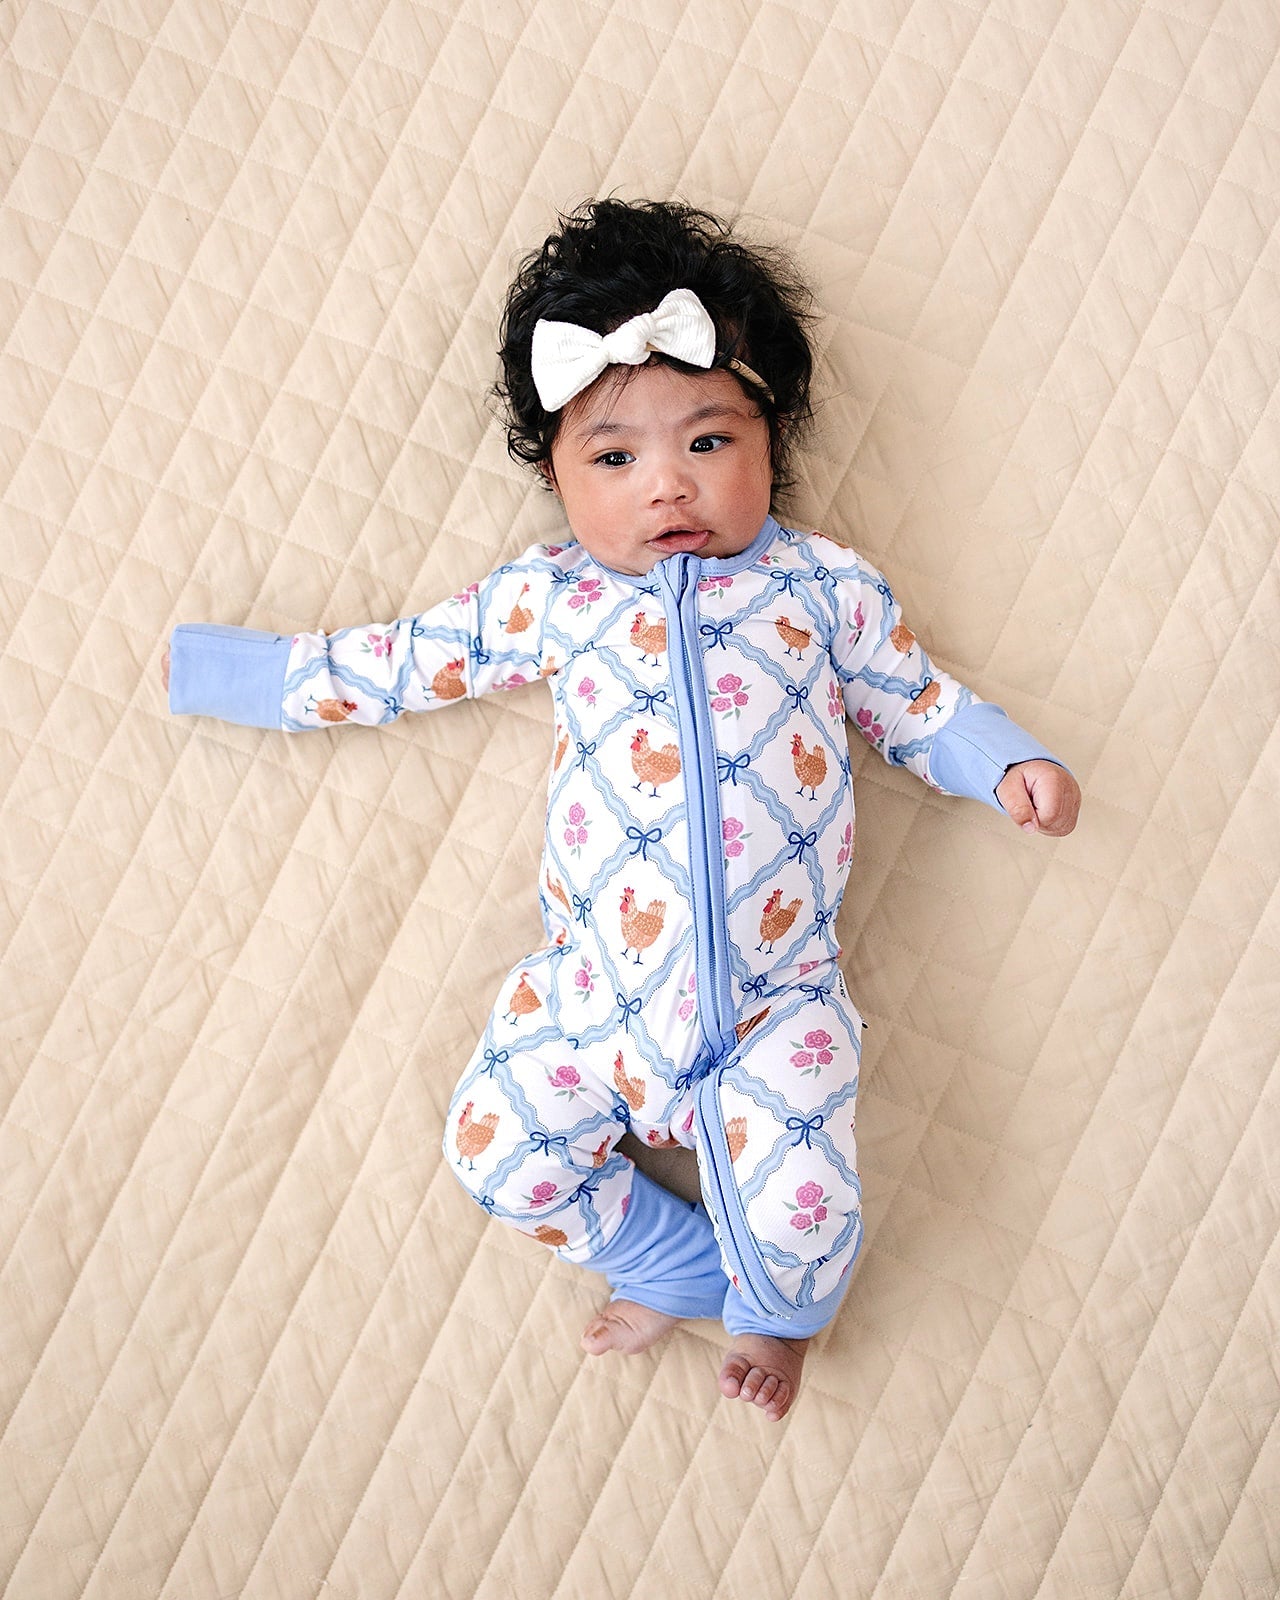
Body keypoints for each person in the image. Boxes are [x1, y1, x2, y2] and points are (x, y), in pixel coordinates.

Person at [164, 199, 1081, 1422]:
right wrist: (248, 678)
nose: (667, 485)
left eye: (706, 440)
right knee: (492, 1145)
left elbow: (912, 699)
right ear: (554, 476)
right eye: (613, 459)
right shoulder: (553, 593)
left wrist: (1006, 762)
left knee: (807, 1211)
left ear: (769, 440)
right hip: (589, 994)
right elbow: (405, 659)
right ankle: (668, 1258)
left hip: (774, 1007)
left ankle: (773, 1314)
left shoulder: (819, 586)